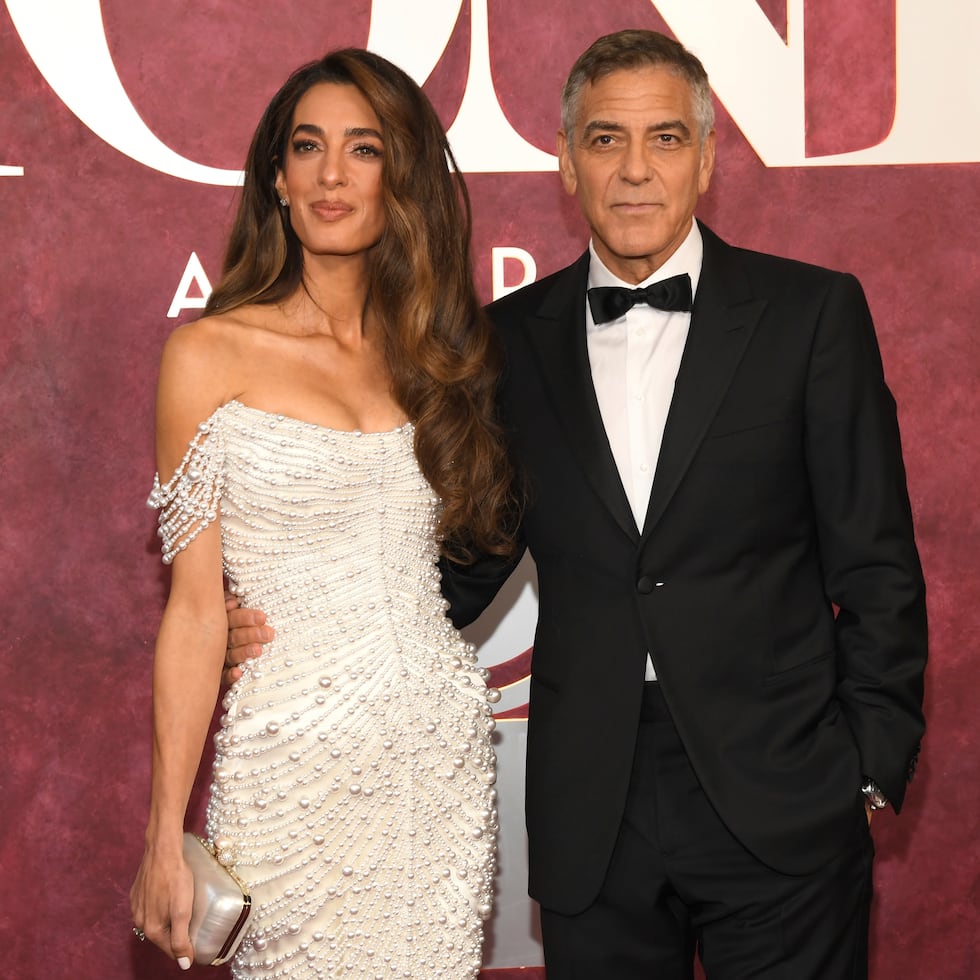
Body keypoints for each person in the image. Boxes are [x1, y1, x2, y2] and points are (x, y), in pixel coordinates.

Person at [227, 30, 927, 979]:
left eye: (665, 138)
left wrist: (867, 767)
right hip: (592, 808)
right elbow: (464, 566)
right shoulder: (504, 342)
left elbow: (878, 564)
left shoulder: (810, 315)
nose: (635, 170)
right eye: (605, 139)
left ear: (707, 158)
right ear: (566, 161)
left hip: (784, 794)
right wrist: (294, 627)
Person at [130, 48, 517, 979]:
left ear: (401, 176)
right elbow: (195, 611)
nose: (332, 174)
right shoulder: (208, 355)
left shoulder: (440, 357)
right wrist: (162, 832)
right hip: (291, 767)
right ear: (278, 176)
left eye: (364, 149)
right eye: (308, 147)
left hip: (436, 765)